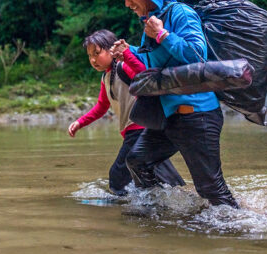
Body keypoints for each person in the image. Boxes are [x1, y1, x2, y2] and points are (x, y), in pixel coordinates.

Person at [119, 0, 239, 208]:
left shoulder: (180, 13)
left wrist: (163, 35)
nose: (127, 3)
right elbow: (154, 64)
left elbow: (197, 56)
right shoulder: (151, 22)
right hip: (169, 118)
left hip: (197, 116)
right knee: (137, 160)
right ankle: (158, 210)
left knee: (211, 188)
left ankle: (241, 228)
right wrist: (127, 52)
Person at [68, 29, 185, 197]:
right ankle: (178, 197)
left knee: (117, 176)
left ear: (111, 49)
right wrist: (80, 122)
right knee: (165, 178)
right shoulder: (106, 78)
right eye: (89, 55)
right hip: (139, 130)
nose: (93, 59)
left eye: (97, 53)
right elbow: (101, 106)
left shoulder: (123, 67)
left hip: (139, 128)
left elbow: (144, 74)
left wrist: (127, 55)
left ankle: (125, 206)